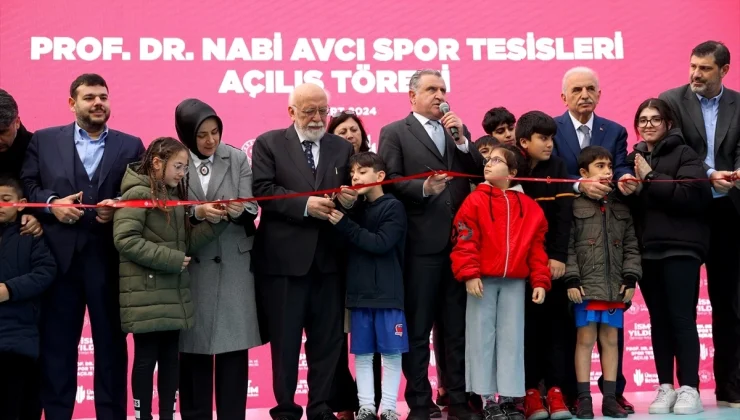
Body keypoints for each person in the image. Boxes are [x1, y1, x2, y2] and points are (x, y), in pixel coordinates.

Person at [20, 73, 146, 420]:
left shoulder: (131, 144)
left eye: (103, 96)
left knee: (111, 348)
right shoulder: (44, 141)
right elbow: (28, 184)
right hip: (58, 263)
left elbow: (143, 190)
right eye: (89, 97)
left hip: (110, 262)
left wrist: (119, 205)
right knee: (57, 348)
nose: (98, 103)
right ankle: (58, 414)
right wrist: (52, 204)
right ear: (72, 103)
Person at [378, 68, 485, 420]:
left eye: (443, 89)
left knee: (455, 329)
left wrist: (463, 143)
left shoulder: (458, 130)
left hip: (460, 246)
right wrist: (423, 189)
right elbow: (390, 180)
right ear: (412, 96)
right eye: (431, 90)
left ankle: (456, 399)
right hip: (420, 245)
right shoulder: (394, 132)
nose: (440, 95)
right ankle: (420, 403)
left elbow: (477, 171)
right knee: (418, 329)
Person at [251, 83, 358, 420]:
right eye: (309, 110)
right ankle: (285, 408)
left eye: (322, 111)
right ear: (291, 112)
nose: (317, 118)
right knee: (284, 344)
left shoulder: (341, 147)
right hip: (284, 263)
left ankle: (321, 407)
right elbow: (263, 190)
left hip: (330, 262)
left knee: (328, 343)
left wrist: (348, 200)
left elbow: (348, 189)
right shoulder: (269, 143)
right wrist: (305, 205)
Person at [113, 137, 227, 420]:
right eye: (178, 166)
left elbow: (183, 243)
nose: (182, 173)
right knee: (145, 359)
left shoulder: (173, 196)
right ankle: (143, 416)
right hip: (144, 294)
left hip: (173, 292)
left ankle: (166, 415)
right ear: (156, 163)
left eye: (185, 168)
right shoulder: (136, 193)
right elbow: (125, 239)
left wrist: (217, 222)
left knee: (169, 361)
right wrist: (172, 260)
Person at [552, 67, 638, 412]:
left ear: (599, 94)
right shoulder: (553, 130)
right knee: (573, 331)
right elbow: (551, 171)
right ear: (564, 97)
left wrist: (626, 177)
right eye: (576, 89)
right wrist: (578, 185)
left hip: (610, 233)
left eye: (590, 88)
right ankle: (575, 394)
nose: (584, 94)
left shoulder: (614, 131)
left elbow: (618, 168)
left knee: (611, 336)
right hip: (566, 232)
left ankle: (612, 394)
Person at [658, 40, 740, 408]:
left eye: (705, 68)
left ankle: (731, 387)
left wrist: (735, 174)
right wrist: (708, 174)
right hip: (687, 213)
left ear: (723, 70)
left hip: (730, 212)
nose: (695, 74)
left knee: (731, 304)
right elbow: (673, 145)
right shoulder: (671, 99)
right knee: (680, 306)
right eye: (693, 66)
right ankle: (681, 387)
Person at [173, 98, 263, 420]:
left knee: (233, 352)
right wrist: (196, 211)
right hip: (192, 264)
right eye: (202, 135)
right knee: (193, 351)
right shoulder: (174, 161)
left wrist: (241, 210)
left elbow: (251, 204)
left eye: (215, 132)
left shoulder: (237, 157)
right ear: (186, 135)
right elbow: (164, 207)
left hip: (234, 266)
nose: (211, 141)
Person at [450, 145, 550, 420]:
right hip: (481, 280)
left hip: (515, 283)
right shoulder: (475, 200)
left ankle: (508, 397)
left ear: (513, 171)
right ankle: (486, 399)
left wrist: (540, 280)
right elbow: (465, 238)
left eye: (496, 160)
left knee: (512, 339)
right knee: (481, 338)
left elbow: (537, 248)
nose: (488, 164)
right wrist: (469, 273)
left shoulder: (529, 207)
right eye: (487, 160)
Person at [625, 99, 712, 415]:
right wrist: (629, 188)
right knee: (658, 321)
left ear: (668, 123)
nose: (648, 125)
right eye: (643, 120)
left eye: (654, 119)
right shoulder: (632, 158)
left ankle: (690, 388)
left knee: (680, 318)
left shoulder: (685, 154)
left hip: (681, 248)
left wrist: (649, 178)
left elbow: (689, 196)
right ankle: (665, 387)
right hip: (648, 251)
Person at [326, 152, 409, 420]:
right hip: (359, 296)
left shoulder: (394, 207)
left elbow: (380, 243)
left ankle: (389, 408)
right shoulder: (355, 209)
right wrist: (341, 213)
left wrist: (344, 223)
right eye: (353, 173)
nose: (355, 177)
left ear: (380, 176)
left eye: (362, 172)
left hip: (388, 295)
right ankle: (366, 408)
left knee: (391, 354)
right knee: (362, 355)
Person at [563, 146, 642, 419]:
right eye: (600, 166)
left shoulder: (620, 204)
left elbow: (632, 245)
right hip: (585, 287)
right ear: (584, 173)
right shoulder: (574, 204)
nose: (607, 171)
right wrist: (571, 278)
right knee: (584, 340)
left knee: (610, 340)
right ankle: (584, 399)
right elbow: (568, 246)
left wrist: (630, 277)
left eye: (609, 166)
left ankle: (610, 400)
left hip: (614, 288)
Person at [514, 111, 575, 420]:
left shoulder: (560, 167)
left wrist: (558, 256)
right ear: (524, 141)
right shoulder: (514, 168)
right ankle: (530, 394)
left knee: (557, 329)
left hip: (551, 266)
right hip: (518, 269)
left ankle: (555, 392)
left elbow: (564, 216)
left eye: (551, 137)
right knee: (527, 332)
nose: (549, 143)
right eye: (542, 138)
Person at [327, 112, 383, 420]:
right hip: (335, 267)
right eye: (341, 130)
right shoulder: (327, 173)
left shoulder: (374, 174)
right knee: (334, 340)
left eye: (354, 129)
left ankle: (369, 404)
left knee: (371, 343)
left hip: (370, 269)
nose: (349, 134)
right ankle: (344, 404)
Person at [0, 88, 44, 420]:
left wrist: (34, 216)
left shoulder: (38, 146)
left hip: (26, 251)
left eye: (3, 132)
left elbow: (45, 193)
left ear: (17, 120)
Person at [0, 176, 56, 420]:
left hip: (19, 340)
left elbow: (45, 272)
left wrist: (8, 290)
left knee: (20, 405)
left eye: (5, 200)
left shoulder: (31, 235)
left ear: (21, 203)